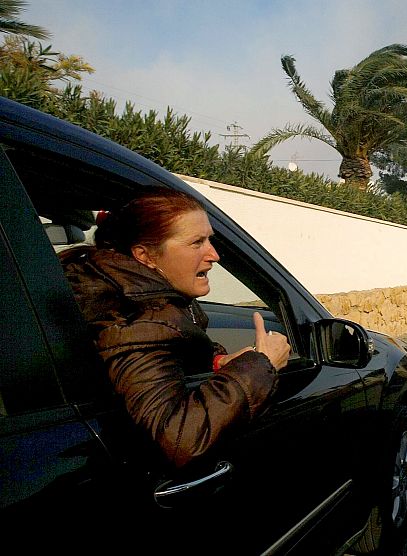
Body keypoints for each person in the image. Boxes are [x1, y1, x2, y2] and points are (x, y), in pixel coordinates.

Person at [60, 188, 291, 469]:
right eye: (197, 243)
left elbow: (173, 350)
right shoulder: (135, 317)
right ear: (145, 256)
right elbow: (180, 438)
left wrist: (217, 362)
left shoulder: (155, 299)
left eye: (210, 240)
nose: (215, 255)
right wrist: (261, 365)